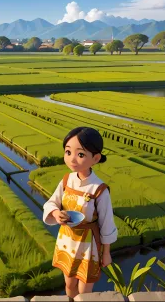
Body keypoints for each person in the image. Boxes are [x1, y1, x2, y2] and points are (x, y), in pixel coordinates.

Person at [42, 126, 118, 298]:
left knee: (85, 290)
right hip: (67, 240)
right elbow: (52, 202)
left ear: (96, 158)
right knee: (69, 284)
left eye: (80, 154)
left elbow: (107, 224)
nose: (72, 159)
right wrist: (55, 213)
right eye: (68, 152)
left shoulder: (99, 189)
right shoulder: (67, 180)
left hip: (89, 245)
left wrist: (106, 253)